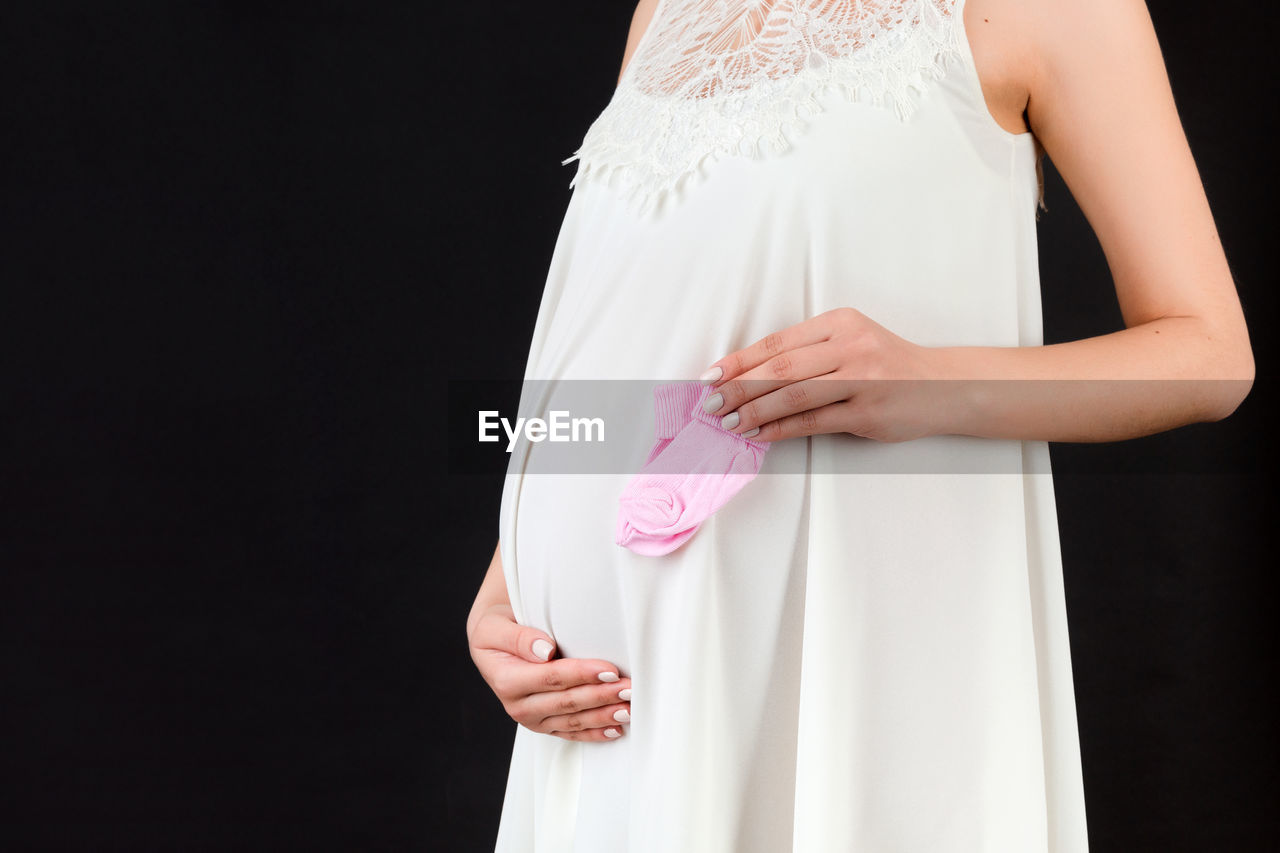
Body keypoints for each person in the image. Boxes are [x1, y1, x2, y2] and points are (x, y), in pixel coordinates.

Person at [466, 0, 1254, 850]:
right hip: (612, 717)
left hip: (846, 658)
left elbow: (1212, 353)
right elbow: (643, 327)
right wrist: (511, 580)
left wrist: (931, 382)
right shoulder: (664, 10)